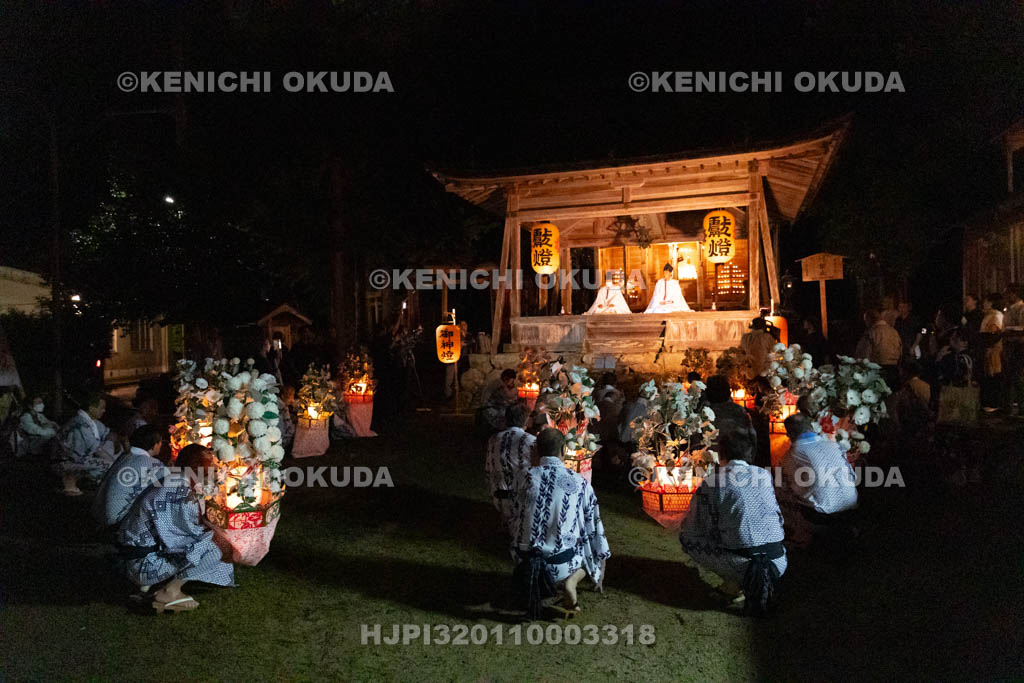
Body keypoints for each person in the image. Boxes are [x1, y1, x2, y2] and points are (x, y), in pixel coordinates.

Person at [679, 428, 786, 615]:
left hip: (743, 563)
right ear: (750, 453)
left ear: (721, 454)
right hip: (778, 559)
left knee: (686, 537)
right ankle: (743, 582)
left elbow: (696, 525)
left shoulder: (713, 481)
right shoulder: (763, 474)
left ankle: (735, 583)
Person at [117, 444, 234, 613]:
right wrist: (220, 538)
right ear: (196, 467)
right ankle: (168, 592)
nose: (215, 467)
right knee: (213, 548)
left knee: (213, 543)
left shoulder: (175, 480)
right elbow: (182, 535)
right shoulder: (178, 490)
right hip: (142, 565)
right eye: (210, 463)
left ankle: (154, 585)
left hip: (137, 555)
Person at [510, 428, 610, 617]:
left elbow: (515, 513)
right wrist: (601, 563)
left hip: (524, 561)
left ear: (537, 451)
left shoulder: (522, 477)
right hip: (561, 564)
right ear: (563, 450)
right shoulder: (579, 483)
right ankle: (571, 581)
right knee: (584, 535)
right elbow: (594, 525)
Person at [779, 414, 858, 548]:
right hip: (851, 506)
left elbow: (793, 489)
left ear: (790, 434)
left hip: (822, 516)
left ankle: (802, 537)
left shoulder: (791, 455)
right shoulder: (834, 445)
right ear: (811, 428)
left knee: (780, 493)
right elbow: (853, 477)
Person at [93, 424, 168, 527]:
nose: (161, 445)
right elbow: (168, 484)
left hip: (98, 513)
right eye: (160, 442)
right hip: (116, 520)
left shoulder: (125, 456)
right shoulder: (151, 463)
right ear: (154, 445)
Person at [485, 402, 536, 532]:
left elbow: (488, 468)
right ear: (526, 420)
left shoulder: (493, 439)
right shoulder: (530, 441)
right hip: (522, 499)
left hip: (498, 497)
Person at [56, 393, 118, 496]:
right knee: (111, 466)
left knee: (114, 455)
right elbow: (96, 449)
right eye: (101, 408)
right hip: (67, 462)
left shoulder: (92, 422)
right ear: (91, 408)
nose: (104, 411)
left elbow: (108, 434)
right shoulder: (80, 424)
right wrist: (114, 462)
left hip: (81, 458)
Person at [704, 375, 757, 454]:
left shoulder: (704, 413)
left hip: (707, 460)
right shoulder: (738, 411)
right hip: (737, 459)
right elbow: (752, 438)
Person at [855, 309, 902, 389]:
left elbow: (865, 353)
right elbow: (900, 350)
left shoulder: (871, 332)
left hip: (878, 369)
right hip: (894, 369)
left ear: (869, 320)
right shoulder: (894, 332)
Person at [1002, 283, 1024, 416]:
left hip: (1018, 346)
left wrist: (1008, 331)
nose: (1006, 296)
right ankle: (1007, 408)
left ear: (1014, 293)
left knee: (1017, 377)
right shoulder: (1009, 309)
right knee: (1008, 378)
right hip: (1009, 346)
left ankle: (1021, 407)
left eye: (1007, 293)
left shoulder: (1021, 308)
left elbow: (1022, 327)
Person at [979, 293, 1004, 412]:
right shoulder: (988, 315)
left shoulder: (996, 315)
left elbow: (995, 334)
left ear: (991, 302)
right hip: (987, 348)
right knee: (988, 375)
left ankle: (994, 403)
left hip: (994, 349)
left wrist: (989, 345)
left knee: (994, 374)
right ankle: (989, 402)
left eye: (986, 301)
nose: (983, 303)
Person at [476, 369, 518, 434]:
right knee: (507, 413)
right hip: (487, 408)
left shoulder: (498, 382)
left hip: (490, 406)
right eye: (512, 381)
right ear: (506, 378)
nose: (512, 383)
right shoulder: (500, 384)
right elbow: (507, 396)